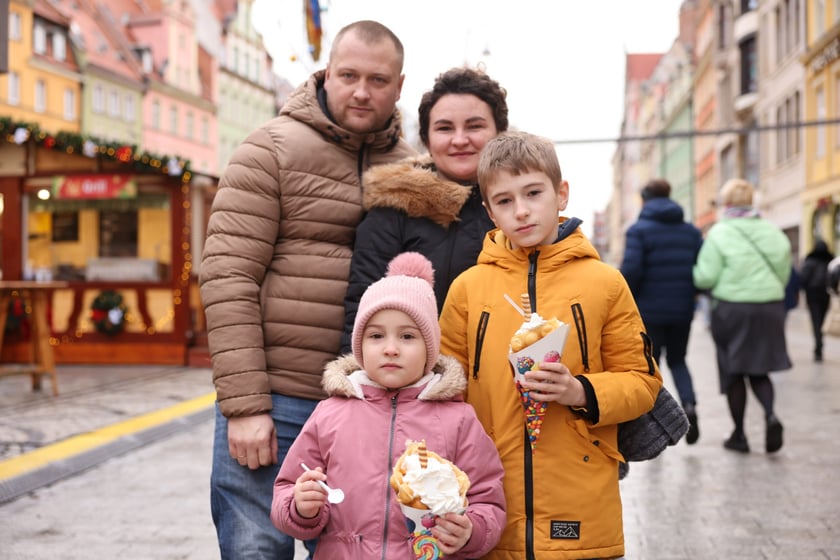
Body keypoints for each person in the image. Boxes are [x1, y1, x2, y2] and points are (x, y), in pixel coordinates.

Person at [199, 20, 416, 559]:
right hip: (278, 399)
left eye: (377, 79)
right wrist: (247, 406)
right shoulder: (268, 149)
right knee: (256, 550)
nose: (362, 91)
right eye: (348, 75)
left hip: (369, 406)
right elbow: (228, 277)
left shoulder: (413, 168)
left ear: (400, 85)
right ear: (326, 73)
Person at [439, 131, 663, 559]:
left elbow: (642, 381)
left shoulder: (604, 283)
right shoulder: (468, 289)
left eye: (533, 193)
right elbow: (446, 389)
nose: (521, 211)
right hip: (488, 505)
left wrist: (581, 391)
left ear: (560, 194)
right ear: (489, 212)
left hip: (581, 504)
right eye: (504, 201)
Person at [271, 252, 506, 559]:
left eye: (407, 336)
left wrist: (470, 531)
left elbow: (487, 500)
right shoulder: (330, 413)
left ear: (430, 348)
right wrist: (301, 507)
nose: (391, 349)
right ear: (360, 345)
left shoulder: (459, 419)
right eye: (376, 336)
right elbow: (287, 489)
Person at [341, 66, 508, 352]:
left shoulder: (523, 205)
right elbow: (363, 306)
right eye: (444, 128)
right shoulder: (394, 208)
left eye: (474, 126)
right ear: (427, 141)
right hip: (419, 388)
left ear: (499, 133)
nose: (459, 139)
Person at [693, 178, 791, 454]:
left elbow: (706, 276)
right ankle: (771, 415)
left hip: (732, 309)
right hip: (770, 306)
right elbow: (784, 272)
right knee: (760, 367)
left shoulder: (720, 233)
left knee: (734, 371)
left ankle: (740, 435)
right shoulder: (773, 232)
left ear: (726, 204)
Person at [620, 178, 703, 444]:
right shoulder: (690, 231)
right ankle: (689, 406)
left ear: (645, 199)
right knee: (678, 360)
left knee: (649, 367)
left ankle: (655, 426)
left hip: (650, 312)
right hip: (682, 310)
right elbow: (699, 269)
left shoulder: (639, 231)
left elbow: (631, 270)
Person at [799, 240, 834, 361]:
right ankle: (819, 341)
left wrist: (802, 289)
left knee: (816, 320)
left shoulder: (810, 261)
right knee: (821, 319)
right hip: (825, 294)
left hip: (812, 294)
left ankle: (818, 344)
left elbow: (803, 278)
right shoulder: (830, 261)